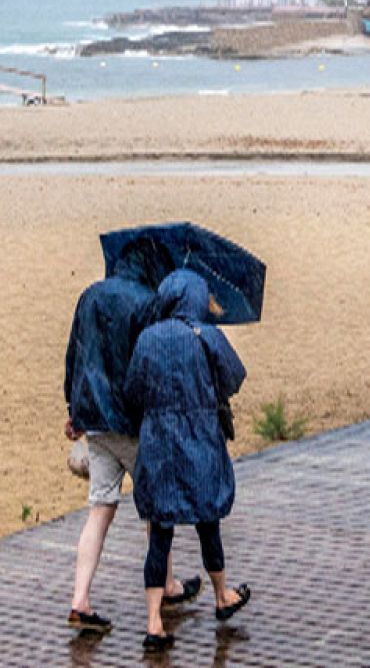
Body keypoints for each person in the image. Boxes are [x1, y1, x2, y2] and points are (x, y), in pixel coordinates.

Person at [63, 238, 197, 633]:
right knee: (157, 511)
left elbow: (74, 356)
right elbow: (151, 363)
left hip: (95, 422)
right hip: (133, 424)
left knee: (100, 510)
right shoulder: (146, 302)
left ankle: (80, 599)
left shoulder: (90, 296)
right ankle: (165, 590)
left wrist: (74, 411)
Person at [123, 269, 252, 653]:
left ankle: (153, 621)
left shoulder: (148, 337)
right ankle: (221, 595)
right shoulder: (206, 334)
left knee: (160, 530)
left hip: (158, 442)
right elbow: (234, 378)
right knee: (207, 519)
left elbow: (132, 390)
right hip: (199, 440)